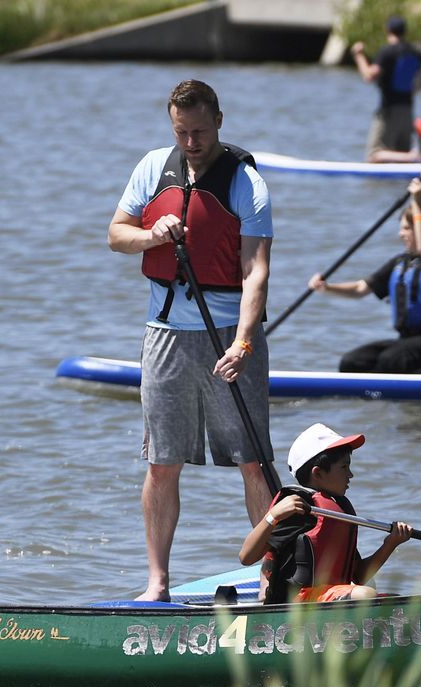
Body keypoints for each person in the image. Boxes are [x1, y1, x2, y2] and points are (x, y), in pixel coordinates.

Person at [108, 79, 275, 603]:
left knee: (253, 460)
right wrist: (153, 235)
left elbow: (257, 271)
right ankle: (157, 581)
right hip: (165, 337)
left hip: (228, 335)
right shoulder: (153, 168)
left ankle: (273, 575)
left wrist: (244, 341)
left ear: (219, 121)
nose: (191, 142)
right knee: (162, 462)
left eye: (200, 131)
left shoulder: (246, 183)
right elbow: (117, 234)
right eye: (182, 132)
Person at [239, 423, 411, 604]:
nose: (350, 475)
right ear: (318, 473)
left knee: (393, 600)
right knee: (364, 594)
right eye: (344, 467)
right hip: (295, 601)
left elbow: (360, 574)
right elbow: (246, 556)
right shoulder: (297, 508)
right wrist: (273, 516)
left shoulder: (338, 511)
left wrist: (391, 543)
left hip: (327, 596)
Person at [307, 173, 421, 374]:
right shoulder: (400, 263)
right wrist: (326, 288)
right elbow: (361, 289)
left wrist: (417, 202)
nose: (400, 234)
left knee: (392, 359)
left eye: (406, 228)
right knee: (352, 362)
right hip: (407, 342)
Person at [350, 15, 421, 163]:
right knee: (400, 159)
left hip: (388, 110)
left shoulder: (387, 52)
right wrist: (407, 93)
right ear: (404, 31)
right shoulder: (413, 52)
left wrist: (359, 55)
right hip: (407, 110)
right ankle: (411, 160)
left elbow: (369, 75)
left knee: (374, 156)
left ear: (387, 30)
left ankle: (415, 156)